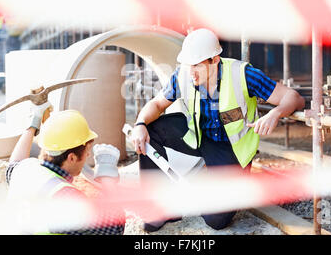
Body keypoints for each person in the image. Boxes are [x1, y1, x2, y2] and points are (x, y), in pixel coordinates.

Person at [131, 28, 305, 232]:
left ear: (214, 60)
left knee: (216, 221)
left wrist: (275, 114)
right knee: (149, 131)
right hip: (196, 135)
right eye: (187, 65)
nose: (191, 71)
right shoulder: (184, 75)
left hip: (230, 149)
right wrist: (140, 124)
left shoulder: (243, 74)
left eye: (197, 65)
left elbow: (294, 97)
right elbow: (157, 105)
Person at [6, 102, 125, 235]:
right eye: (87, 150)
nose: (88, 155)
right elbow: (115, 228)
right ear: (72, 158)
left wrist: (33, 124)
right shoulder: (66, 196)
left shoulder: (26, 168)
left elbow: (13, 164)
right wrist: (107, 175)